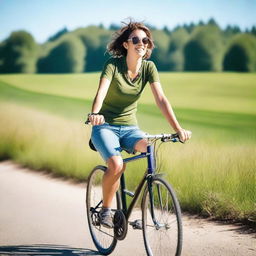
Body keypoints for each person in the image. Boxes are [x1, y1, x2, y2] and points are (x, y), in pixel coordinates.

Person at [87, 21, 191, 228]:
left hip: (130, 129)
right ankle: (106, 212)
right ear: (126, 44)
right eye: (135, 39)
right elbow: (101, 92)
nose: (141, 43)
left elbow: (161, 99)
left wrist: (177, 129)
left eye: (145, 40)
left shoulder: (149, 68)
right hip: (104, 126)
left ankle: (146, 205)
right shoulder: (113, 65)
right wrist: (95, 114)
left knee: (151, 150)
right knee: (117, 165)